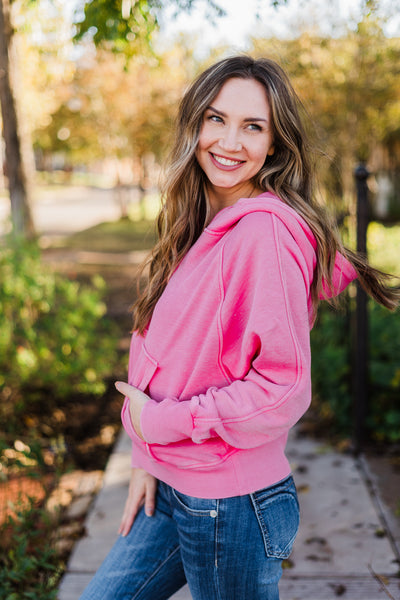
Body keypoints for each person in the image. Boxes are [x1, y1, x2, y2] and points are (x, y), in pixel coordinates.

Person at [80, 55, 399, 600]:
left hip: (228, 505)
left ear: (275, 143)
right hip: (174, 482)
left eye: (253, 126)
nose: (230, 141)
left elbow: (282, 388)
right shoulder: (196, 221)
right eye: (216, 118)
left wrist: (161, 423)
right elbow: (162, 349)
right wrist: (146, 456)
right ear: (195, 124)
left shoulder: (263, 238)